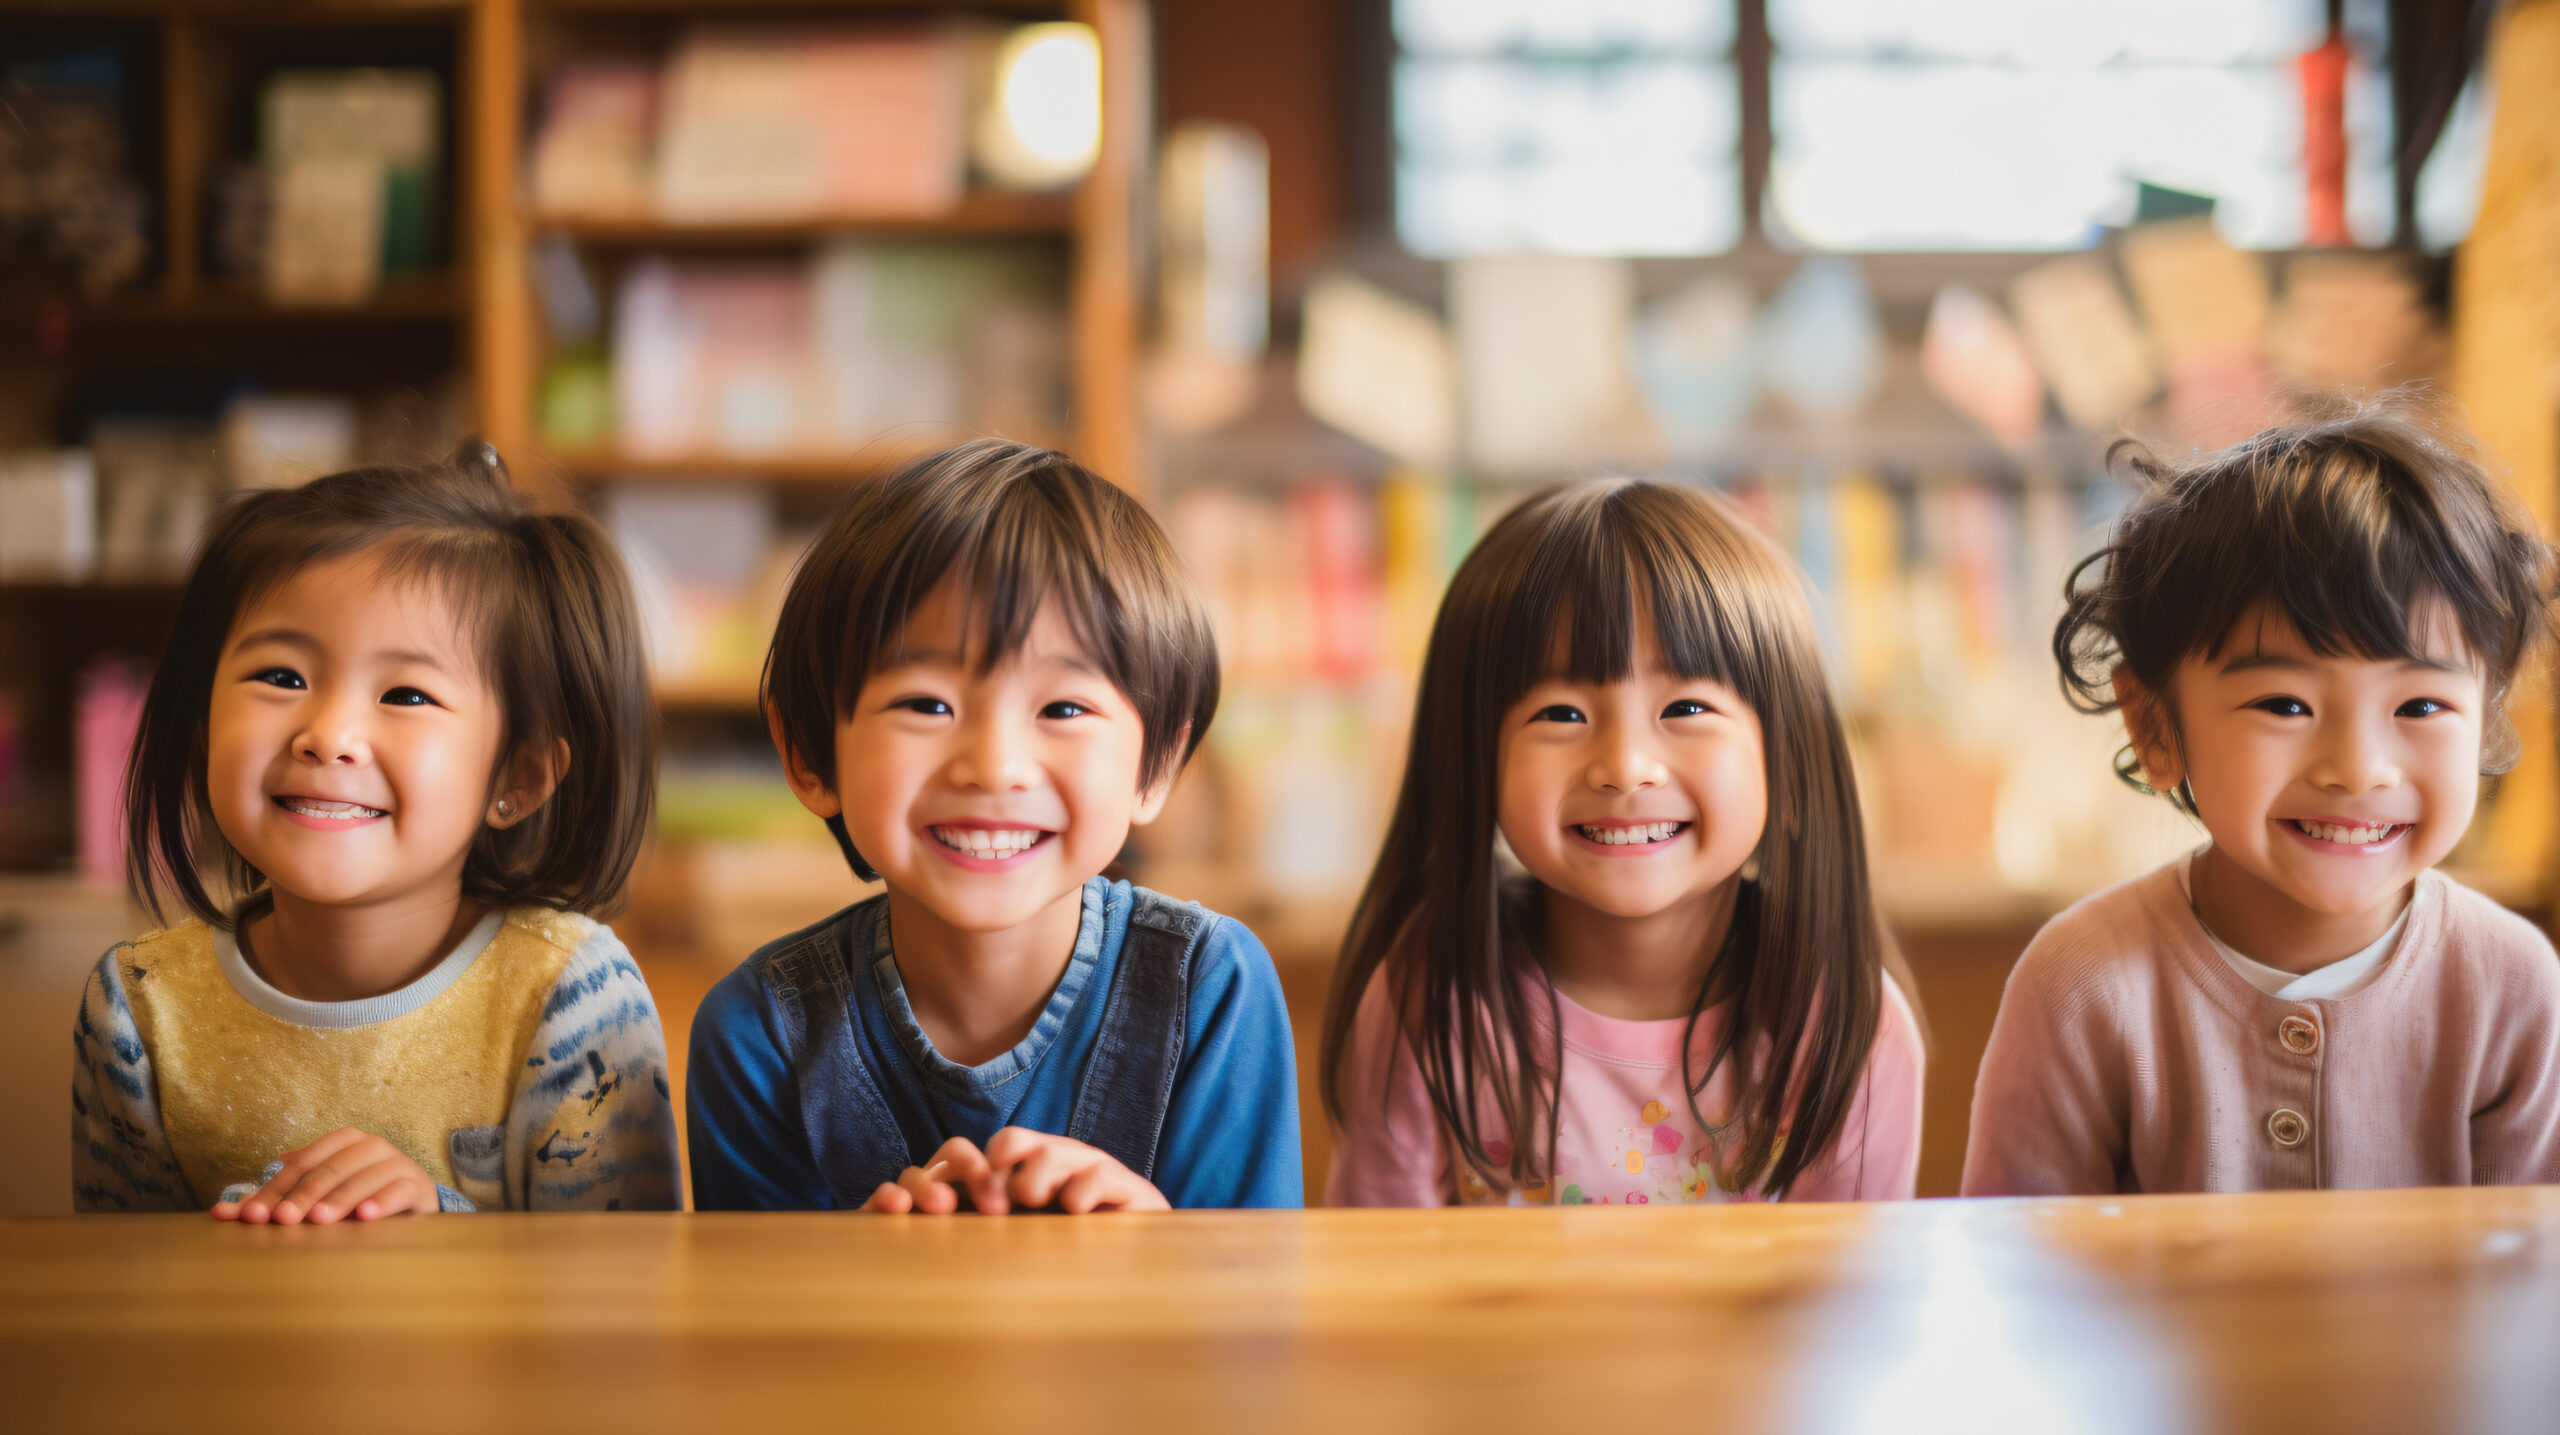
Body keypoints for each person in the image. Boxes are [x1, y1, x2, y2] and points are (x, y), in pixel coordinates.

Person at [686, 440, 1299, 1213]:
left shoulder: (1210, 989)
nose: (995, 766)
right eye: (926, 705)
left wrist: (1157, 1245)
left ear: (1158, 765)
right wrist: (857, 1283)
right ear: (810, 754)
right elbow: (756, 1329)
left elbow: (1252, 1319)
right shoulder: (759, 1036)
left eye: (1063, 708)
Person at [73, 443, 679, 1219]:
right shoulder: (136, 1010)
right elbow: (110, 1302)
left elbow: (620, 1302)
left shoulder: (570, 997)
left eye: (406, 693)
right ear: (201, 721)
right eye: (281, 677)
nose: (327, 735)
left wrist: (438, 1219)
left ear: (516, 779)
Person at [1965, 404, 2560, 1194]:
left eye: (2419, 707)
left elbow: (2524, 1282)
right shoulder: (2081, 984)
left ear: (2484, 719)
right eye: (2285, 705)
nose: (2357, 770)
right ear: (2153, 723)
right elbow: (2024, 1281)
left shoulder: (2513, 985)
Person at [1323, 479, 1925, 1207]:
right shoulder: (1429, 1002)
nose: (1625, 766)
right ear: (1473, 759)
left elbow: (1847, 1307)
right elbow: (1387, 1294)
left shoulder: (1844, 1028)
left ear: (1789, 754)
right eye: (1562, 712)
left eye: (1688, 706)